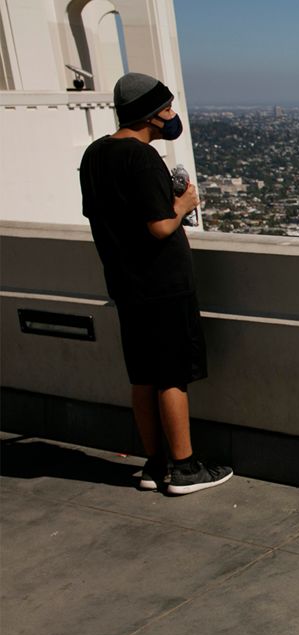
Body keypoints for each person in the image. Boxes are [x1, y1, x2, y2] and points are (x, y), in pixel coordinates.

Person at [79, 72, 233, 496]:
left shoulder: (95, 155)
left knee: (143, 377)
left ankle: (154, 463)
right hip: (162, 286)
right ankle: (183, 469)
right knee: (172, 377)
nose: (171, 116)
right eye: (165, 109)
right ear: (149, 115)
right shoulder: (142, 158)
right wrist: (183, 203)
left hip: (125, 285)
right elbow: (160, 226)